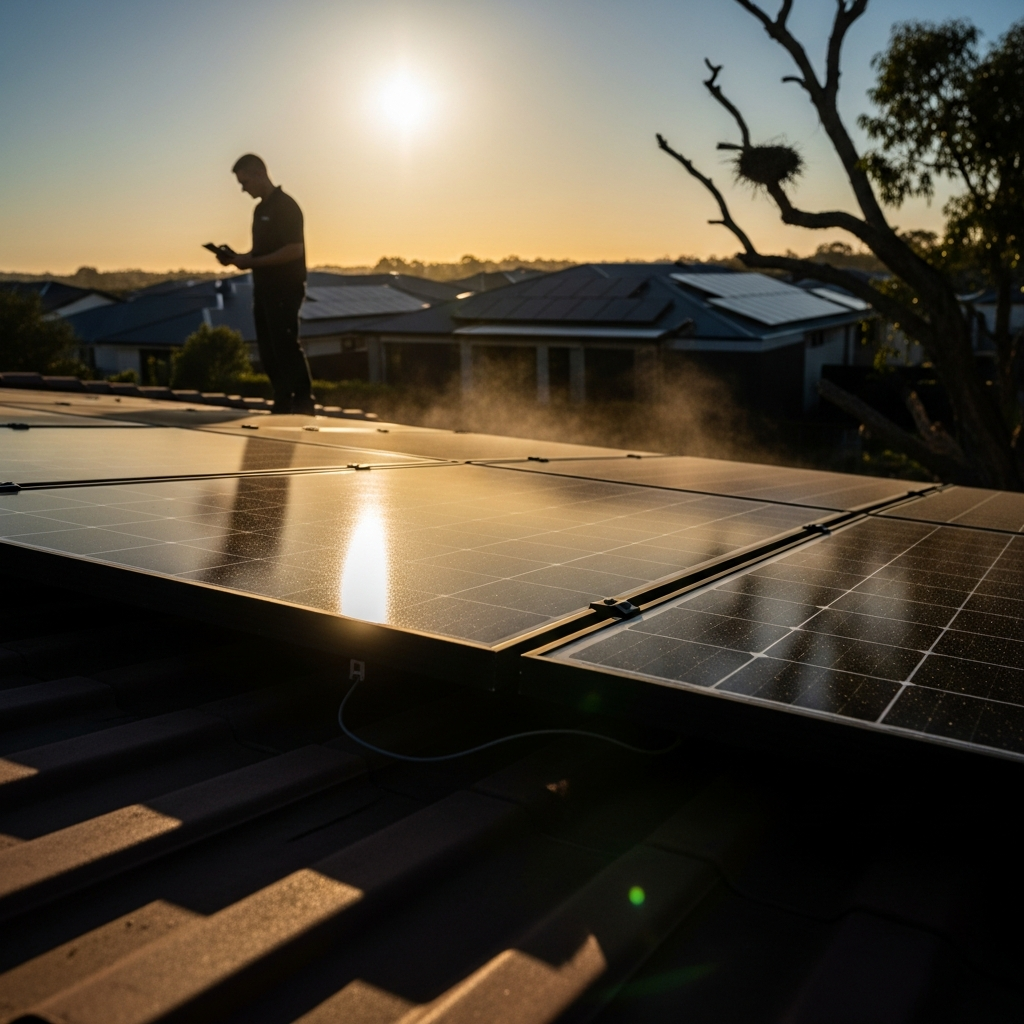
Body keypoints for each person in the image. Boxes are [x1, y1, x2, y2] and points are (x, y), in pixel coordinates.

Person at [215, 154, 315, 414]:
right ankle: (282, 400)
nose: (242, 188)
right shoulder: (260, 210)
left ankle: (304, 401)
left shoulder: (287, 206)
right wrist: (238, 259)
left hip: (286, 288)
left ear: (259, 173)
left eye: (244, 181)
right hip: (264, 288)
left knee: (285, 343)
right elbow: (261, 253)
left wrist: (252, 263)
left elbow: (294, 250)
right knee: (268, 347)